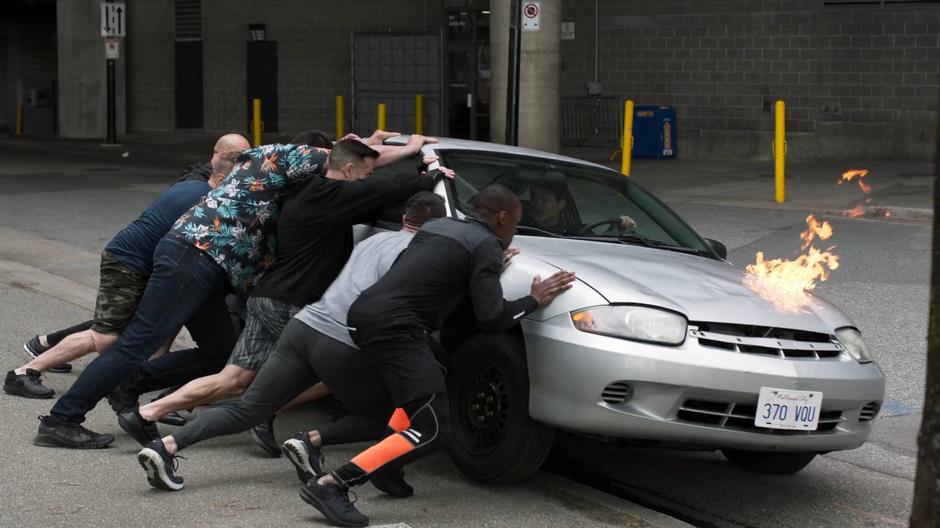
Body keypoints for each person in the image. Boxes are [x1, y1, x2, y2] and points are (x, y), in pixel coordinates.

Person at [32, 133, 432, 449]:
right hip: (197, 253)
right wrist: (413, 150)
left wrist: (376, 145)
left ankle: (127, 383)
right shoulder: (290, 158)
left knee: (218, 353)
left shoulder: (271, 165)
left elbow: (350, 158)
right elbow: (344, 163)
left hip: (211, 265)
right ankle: (63, 419)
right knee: (137, 339)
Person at [297, 184, 576, 527]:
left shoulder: (438, 227)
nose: (513, 232)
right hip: (397, 329)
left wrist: (479, 270)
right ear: (503, 218)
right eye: (515, 225)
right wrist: (533, 299)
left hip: (367, 316)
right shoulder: (486, 244)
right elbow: (492, 319)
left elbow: (424, 276)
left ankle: (387, 464)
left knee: (441, 368)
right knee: (433, 428)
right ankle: (332, 484)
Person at [134, 191, 448, 496]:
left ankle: (165, 447)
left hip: (304, 326)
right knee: (384, 416)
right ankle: (314, 441)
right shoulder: (419, 254)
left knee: (248, 408)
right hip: (342, 341)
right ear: (440, 226)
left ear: (405, 218)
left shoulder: (376, 239)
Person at [4, 134, 249, 400]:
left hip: (136, 262)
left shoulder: (196, 187)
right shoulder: (202, 201)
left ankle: (126, 382)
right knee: (106, 336)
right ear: (224, 174)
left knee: (152, 326)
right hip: (127, 264)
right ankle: (24, 372)